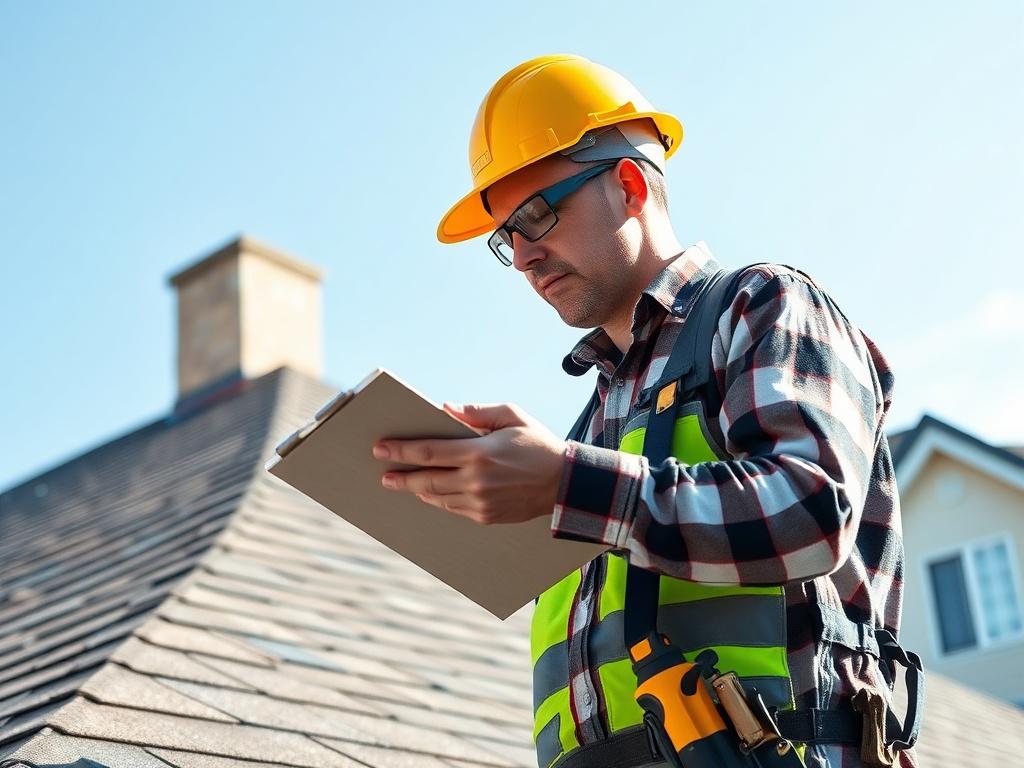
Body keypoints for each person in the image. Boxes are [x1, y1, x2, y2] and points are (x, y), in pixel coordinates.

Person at [371, 54, 920, 768]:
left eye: (538, 215)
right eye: (507, 237)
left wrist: (567, 482)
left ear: (630, 186)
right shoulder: (593, 425)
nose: (526, 255)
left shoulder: (761, 308)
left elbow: (812, 511)